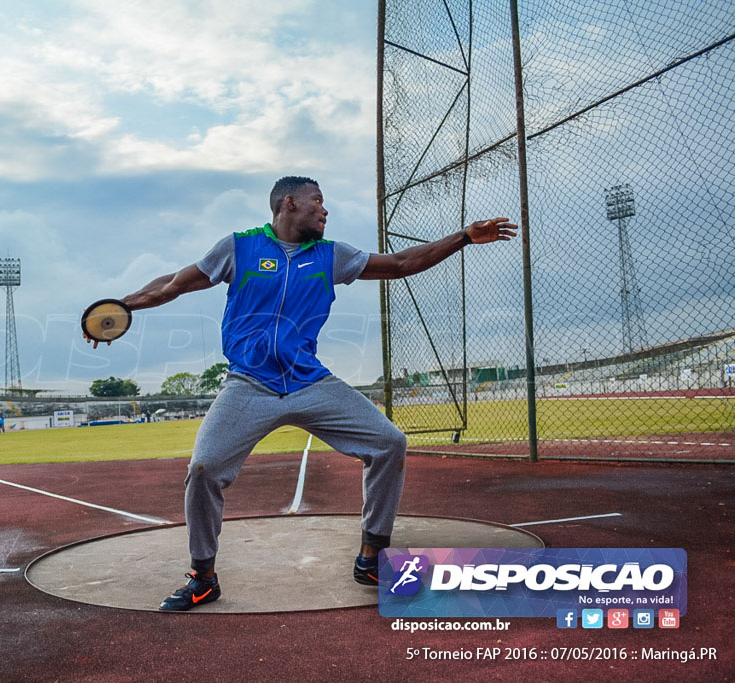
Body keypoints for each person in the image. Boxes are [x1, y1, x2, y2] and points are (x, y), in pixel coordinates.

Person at [83, 176, 515, 611]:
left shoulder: (332, 256)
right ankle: (203, 577)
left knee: (389, 443)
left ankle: (371, 557)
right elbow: (173, 284)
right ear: (288, 203)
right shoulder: (239, 247)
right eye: (318, 202)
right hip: (250, 384)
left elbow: (401, 264)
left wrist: (463, 237)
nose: (325, 211)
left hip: (309, 382)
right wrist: (119, 308)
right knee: (203, 468)